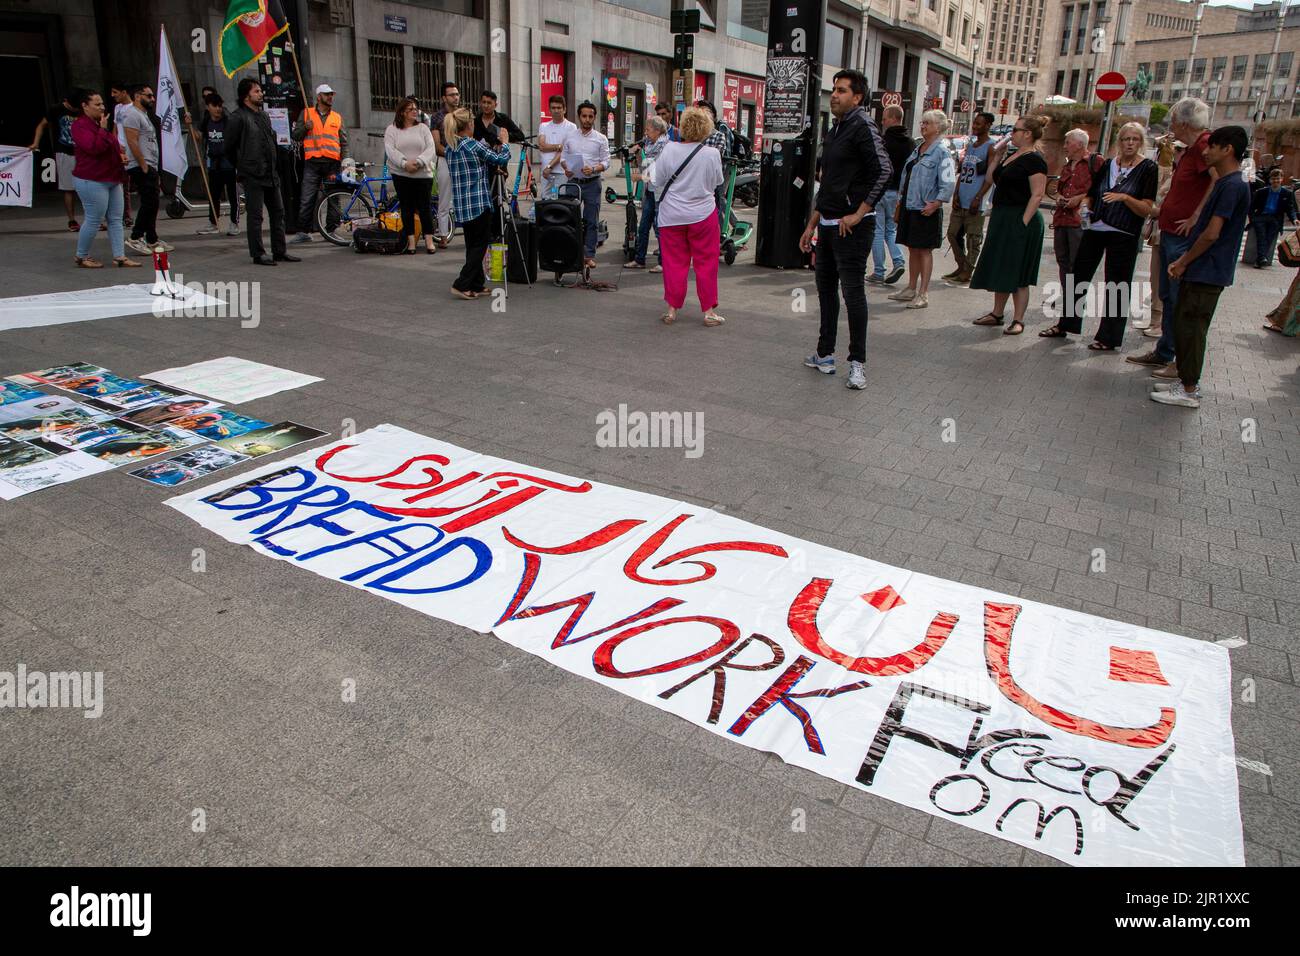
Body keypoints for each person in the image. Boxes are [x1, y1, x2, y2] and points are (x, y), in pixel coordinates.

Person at [799, 69, 891, 390]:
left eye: (841, 90)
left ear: (857, 97)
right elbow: (828, 184)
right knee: (826, 291)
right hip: (826, 225)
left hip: (852, 229)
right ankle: (825, 354)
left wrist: (858, 213)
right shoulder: (837, 127)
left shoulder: (863, 126)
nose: (834, 95)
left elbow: (884, 171)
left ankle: (858, 364)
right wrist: (811, 224)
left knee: (852, 295)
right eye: (833, 89)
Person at [1152, 126, 1253, 409]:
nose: (1206, 151)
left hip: (1207, 269)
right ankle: (1185, 379)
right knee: (1185, 324)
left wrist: (1183, 261)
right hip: (1203, 269)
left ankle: (1188, 388)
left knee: (1192, 328)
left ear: (1227, 149)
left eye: (1212, 147)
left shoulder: (1233, 185)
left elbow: (1212, 233)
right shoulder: (1226, 182)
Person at [1045, 123, 1157, 349]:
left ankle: (1108, 337)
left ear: (1141, 142)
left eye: (1135, 139)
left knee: (1117, 283)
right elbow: (1092, 194)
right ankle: (1066, 323)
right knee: (1078, 276)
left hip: (1124, 232)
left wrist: (1124, 198)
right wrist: (1085, 206)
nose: (1130, 143)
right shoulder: (1108, 165)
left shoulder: (1148, 168)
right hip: (1096, 227)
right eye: (1126, 139)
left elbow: (1147, 207)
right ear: (1119, 142)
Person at [1126, 98, 1216, 379]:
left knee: (1177, 299)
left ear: (1185, 123)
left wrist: (1197, 215)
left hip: (1182, 236)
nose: (1170, 126)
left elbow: (1217, 179)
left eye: (1173, 120)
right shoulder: (1190, 148)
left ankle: (1174, 358)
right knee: (1168, 295)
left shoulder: (1203, 145)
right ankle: (1165, 352)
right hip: (1172, 232)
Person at [968, 115, 1049, 337]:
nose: (1011, 133)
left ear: (1027, 134)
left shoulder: (1035, 159)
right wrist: (997, 157)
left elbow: (1038, 194)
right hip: (1002, 216)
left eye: (1015, 130)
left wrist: (1023, 221)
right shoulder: (1013, 155)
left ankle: (1018, 319)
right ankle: (997, 313)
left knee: (1018, 270)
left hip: (1019, 217)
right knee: (1002, 266)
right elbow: (993, 178)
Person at [651, 106, 725, 326]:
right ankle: (709, 311)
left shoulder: (670, 149)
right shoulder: (712, 154)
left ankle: (672, 309)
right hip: (702, 215)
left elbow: (657, 179)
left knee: (674, 263)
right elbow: (716, 183)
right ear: (706, 129)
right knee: (706, 263)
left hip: (671, 215)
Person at [226, 78, 299, 266]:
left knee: (278, 212)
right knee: (256, 215)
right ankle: (258, 253)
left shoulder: (264, 116)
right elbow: (229, 147)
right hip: (252, 174)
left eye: (260, 91)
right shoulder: (238, 117)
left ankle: (279, 251)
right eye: (256, 91)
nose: (261, 94)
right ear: (246, 96)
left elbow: (270, 141)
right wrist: (243, 166)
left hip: (270, 173)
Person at [888, 109, 955, 310]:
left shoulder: (941, 151)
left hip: (926, 208)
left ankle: (923, 293)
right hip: (911, 205)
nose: (923, 125)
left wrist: (936, 203)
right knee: (913, 248)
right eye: (923, 122)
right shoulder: (918, 148)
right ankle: (910, 287)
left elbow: (948, 181)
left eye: (927, 123)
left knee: (924, 250)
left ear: (938, 127)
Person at [443, 107, 511, 298]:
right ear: (469, 124)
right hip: (478, 202)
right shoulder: (472, 145)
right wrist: (505, 143)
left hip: (462, 204)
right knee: (480, 244)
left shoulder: (451, 147)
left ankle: (476, 283)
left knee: (472, 244)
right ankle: (462, 283)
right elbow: (500, 159)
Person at [69, 89, 140, 269]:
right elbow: (93, 149)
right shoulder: (79, 125)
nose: (102, 107)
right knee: (94, 218)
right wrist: (102, 129)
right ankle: (81, 255)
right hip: (91, 178)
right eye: (97, 104)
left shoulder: (100, 123)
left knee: (116, 219)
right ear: (84, 106)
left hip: (111, 177)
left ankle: (120, 256)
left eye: (102, 104)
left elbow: (112, 146)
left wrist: (120, 156)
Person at [290, 83, 347, 243]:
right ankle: (303, 232)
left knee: (334, 198)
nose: (330, 97)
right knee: (307, 197)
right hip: (313, 163)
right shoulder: (306, 114)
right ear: (319, 96)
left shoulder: (337, 117)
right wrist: (305, 128)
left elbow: (344, 141)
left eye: (331, 94)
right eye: (327, 94)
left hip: (332, 162)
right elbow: (295, 136)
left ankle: (331, 230)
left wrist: (346, 160)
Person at [943, 110, 994, 285]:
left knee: (973, 239)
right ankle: (961, 265)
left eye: (978, 123)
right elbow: (963, 170)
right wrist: (956, 193)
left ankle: (968, 271)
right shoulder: (972, 145)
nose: (974, 126)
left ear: (987, 125)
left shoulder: (991, 147)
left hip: (976, 202)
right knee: (952, 234)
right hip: (962, 198)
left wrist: (979, 197)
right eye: (974, 123)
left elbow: (990, 176)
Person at [120, 84, 171, 255]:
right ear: (137, 95)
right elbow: (132, 140)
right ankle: (136, 236)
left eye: (152, 95)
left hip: (150, 164)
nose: (152, 99)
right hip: (141, 165)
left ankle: (152, 238)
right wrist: (143, 164)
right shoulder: (132, 115)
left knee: (153, 201)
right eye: (148, 96)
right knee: (150, 202)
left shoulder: (143, 114)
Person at [561, 101, 611, 270]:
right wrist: (566, 168)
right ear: (579, 116)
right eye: (584, 116)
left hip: (592, 183)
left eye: (590, 116)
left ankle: (589, 255)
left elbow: (607, 161)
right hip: (573, 182)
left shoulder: (600, 139)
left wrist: (595, 168)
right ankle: (571, 252)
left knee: (591, 221)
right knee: (568, 218)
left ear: (594, 117)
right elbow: (563, 157)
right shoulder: (570, 136)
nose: (587, 119)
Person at [385, 97, 437, 254]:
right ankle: (411, 241)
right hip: (401, 174)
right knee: (406, 208)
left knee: (425, 208)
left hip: (423, 174)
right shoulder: (392, 130)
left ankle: (429, 241)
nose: (415, 111)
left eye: (416, 108)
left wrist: (419, 162)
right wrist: (404, 164)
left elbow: (431, 148)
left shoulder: (423, 128)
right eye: (411, 109)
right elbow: (390, 150)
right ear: (402, 112)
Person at [1049, 129, 1100, 290]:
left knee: (1077, 261)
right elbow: (1059, 189)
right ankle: (1067, 293)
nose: (1065, 146)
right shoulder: (1067, 165)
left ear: (1079, 144)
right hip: (1061, 218)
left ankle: (1076, 296)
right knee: (1062, 260)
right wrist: (1059, 197)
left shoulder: (1095, 162)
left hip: (1079, 220)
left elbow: (1101, 189)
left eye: (1068, 143)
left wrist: (1079, 199)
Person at [868, 105, 911, 286]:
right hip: (898, 192)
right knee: (891, 230)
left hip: (881, 189)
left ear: (893, 119)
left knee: (877, 230)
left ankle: (879, 271)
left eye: (885, 118)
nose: (882, 122)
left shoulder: (882, 141)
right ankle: (898, 260)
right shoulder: (910, 143)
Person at [30, 94, 82, 232]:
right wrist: (36, 142)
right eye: (71, 107)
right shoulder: (56, 109)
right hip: (64, 150)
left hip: (82, 150)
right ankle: (72, 220)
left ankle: (94, 219)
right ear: (65, 101)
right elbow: (42, 125)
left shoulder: (83, 108)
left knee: (88, 186)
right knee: (68, 187)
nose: (74, 110)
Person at [628, 115, 669, 271]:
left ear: (658, 131)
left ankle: (663, 263)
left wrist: (640, 177)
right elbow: (645, 165)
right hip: (650, 191)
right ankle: (640, 259)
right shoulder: (649, 145)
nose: (645, 133)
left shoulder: (665, 145)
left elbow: (660, 170)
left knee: (659, 228)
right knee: (644, 226)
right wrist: (637, 154)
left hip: (661, 192)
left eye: (648, 129)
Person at [196, 93, 240, 237]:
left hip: (229, 164)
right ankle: (213, 222)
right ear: (207, 107)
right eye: (214, 106)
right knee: (213, 195)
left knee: (233, 196)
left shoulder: (228, 120)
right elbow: (199, 137)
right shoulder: (206, 121)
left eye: (220, 106)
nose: (218, 109)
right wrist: (190, 125)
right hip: (214, 164)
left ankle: (234, 222)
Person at [430, 81, 461, 246]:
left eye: (457, 94)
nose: (455, 97)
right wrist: (452, 155)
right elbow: (436, 145)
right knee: (444, 199)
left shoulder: (462, 114)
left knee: (464, 197)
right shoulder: (437, 117)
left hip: (463, 160)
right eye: (451, 95)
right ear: (444, 98)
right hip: (445, 160)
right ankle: (443, 236)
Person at [1249, 167, 1299, 267]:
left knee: (1269, 238)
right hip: (1261, 217)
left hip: (1276, 219)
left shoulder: (1287, 193)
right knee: (1261, 236)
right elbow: (1252, 206)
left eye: (1278, 179)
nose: (1275, 181)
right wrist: (1253, 218)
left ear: (1282, 179)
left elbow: (1290, 208)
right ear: (1270, 179)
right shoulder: (1261, 192)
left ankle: (1261, 259)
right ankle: (1261, 259)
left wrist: (1294, 219)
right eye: (1273, 179)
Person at [695, 100, 733, 232]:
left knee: (718, 201)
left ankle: (727, 229)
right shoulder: (696, 135)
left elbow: (718, 155)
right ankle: (723, 230)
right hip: (698, 177)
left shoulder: (719, 133)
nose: (703, 116)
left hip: (717, 175)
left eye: (706, 113)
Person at [537, 94, 576, 197]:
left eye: (559, 108)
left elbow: (565, 151)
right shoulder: (544, 126)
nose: (556, 110)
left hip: (561, 172)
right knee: (546, 201)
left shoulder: (571, 127)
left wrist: (550, 166)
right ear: (549, 110)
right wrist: (559, 146)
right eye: (553, 108)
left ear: (564, 109)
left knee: (560, 201)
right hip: (546, 173)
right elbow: (542, 146)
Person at [109, 83, 134, 226]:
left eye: (115, 91)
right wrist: (115, 145)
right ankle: (125, 215)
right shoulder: (117, 108)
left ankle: (127, 215)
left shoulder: (134, 108)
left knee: (128, 184)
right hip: (119, 151)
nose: (113, 95)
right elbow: (115, 128)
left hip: (131, 151)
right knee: (122, 184)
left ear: (124, 92)